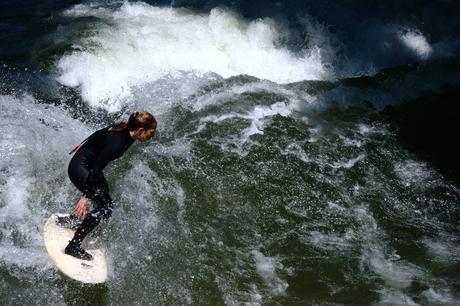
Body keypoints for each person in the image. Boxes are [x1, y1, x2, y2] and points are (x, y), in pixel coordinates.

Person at [59, 111, 156, 260]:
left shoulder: (126, 128)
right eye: (151, 133)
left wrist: (84, 144)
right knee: (106, 208)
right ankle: (73, 246)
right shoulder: (118, 143)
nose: (152, 136)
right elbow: (96, 168)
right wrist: (85, 196)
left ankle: (74, 220)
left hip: (86, 164)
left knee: (104, 198)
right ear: (141, 130)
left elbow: (101, 132)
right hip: (81, 168)